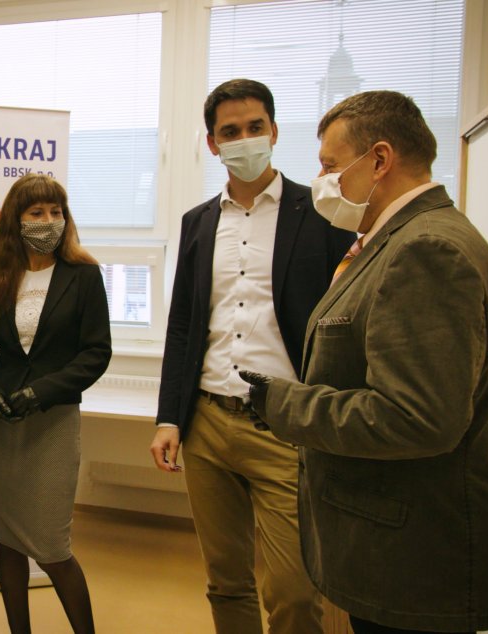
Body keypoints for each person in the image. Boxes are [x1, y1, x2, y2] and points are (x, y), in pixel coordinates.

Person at [240, 90, 488, 634]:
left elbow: (417, 417)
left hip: (415, 557)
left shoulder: (426, 249)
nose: (322, 181)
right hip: (396, 546)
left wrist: (285, 404)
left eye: (330, 166)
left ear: (380, 159)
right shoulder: (394, 240)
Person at [149, 79, 356, 634]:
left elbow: (347, 317)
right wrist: (169, 417)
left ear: (274, 131)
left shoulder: (321, 213)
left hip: (285, 426)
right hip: (207, 423)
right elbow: (184, 324)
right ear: (213, 143)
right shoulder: (198, 222)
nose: (244, 139)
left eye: (254, 127)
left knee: (295, 592)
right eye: (230, 131)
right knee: (226, 581)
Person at [0, 173, 111, 634]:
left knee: (52, 548)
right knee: (8, 541)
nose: (48, 220)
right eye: (36, 212)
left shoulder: (84, 275)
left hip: (53, 422)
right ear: (17, 220)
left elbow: (96, 353)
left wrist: (41, 392)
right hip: (0, 427)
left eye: (55, 212)